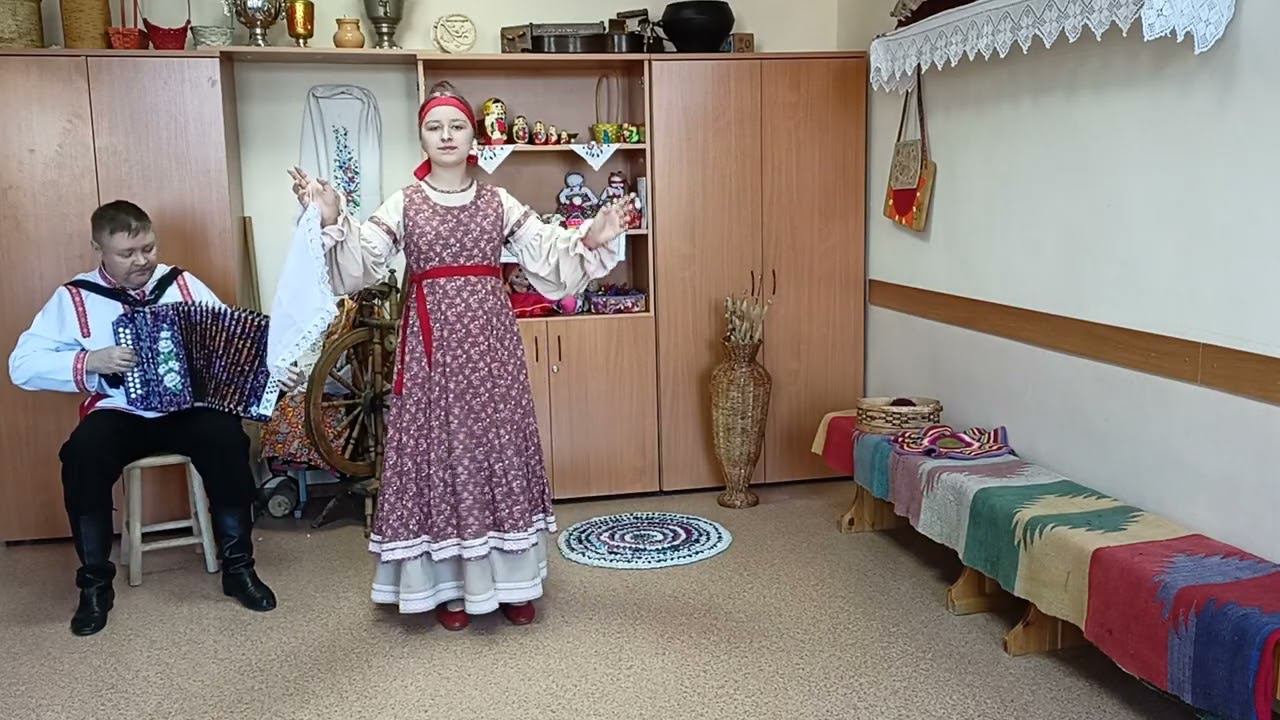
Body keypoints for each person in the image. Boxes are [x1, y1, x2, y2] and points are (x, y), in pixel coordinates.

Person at [287, 81, 632, 630]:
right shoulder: (404, 202)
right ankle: (449, 588)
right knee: (442, 451)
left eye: (456, 126)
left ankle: (514, 582)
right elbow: (361, 262)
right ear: (422, 137)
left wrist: (594, 235)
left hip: (492, 346)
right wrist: (331, 216)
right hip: (431, 350)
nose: (446, 135)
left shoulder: (499, 201)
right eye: (434, 127)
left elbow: (546, 250)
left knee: (499, 445)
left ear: (474, 136)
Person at [8, 200, 278, 636]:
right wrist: (90, 361)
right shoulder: (75, 297)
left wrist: (269, 367)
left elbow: (232, 339)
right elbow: (21, 366)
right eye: (127, 253)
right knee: (81, 456)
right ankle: (95, 586)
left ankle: (239, 568)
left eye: (148, 248)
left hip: (187, 409)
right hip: (121, 410)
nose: (141, 261)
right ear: (99, 249)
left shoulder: (181, 284)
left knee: (228, 439)